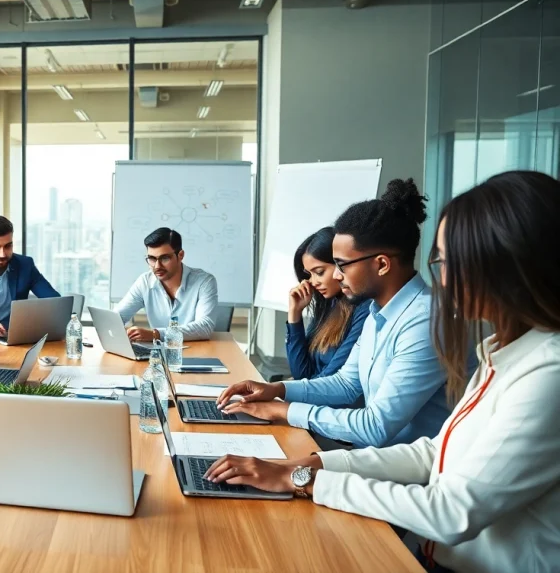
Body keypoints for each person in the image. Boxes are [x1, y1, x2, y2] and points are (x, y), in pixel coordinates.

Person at [204, 171, 560, 573]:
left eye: (448, 260)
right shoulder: (499, 350)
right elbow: (433, 452)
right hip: (431, 541)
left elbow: (452, 511)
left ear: (506, 264)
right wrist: (309, 462)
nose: (443, 276)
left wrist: (305, 477)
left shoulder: (547, 373)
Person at [217, 179, 459, 448]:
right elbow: (346, 383)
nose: (336, 275)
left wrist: (282, 410)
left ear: (381, 264)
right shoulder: (378, 312)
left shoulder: (426, 321)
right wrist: (278, 389)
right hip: (375, 456)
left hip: (410, 468)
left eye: (342, 265)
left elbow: (375, 427)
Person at [287, 227, 370, 379]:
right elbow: (301, 373)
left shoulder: (364, 310)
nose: (313, 282)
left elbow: (333, 379)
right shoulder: (328, 305)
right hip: (312, 392)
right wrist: (294, 314)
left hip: (327, 393)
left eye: (319, 272)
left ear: (341, 265)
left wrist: (287, 389)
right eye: (309, 274)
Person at [115, 227, 220, 342]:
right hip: (158, 351)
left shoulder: (204, 282)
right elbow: (116, 317)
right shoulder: (144, 282)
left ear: (180, 255)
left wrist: (156, 334)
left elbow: (205, 327)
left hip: (195, 349)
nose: (157, 266)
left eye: (164, 258)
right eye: (152, 259)